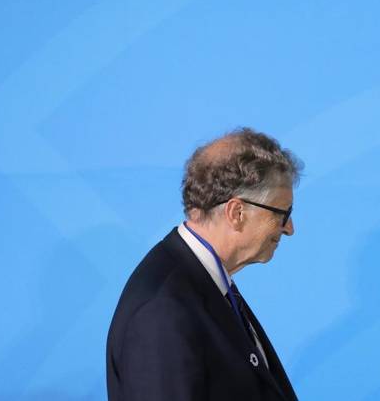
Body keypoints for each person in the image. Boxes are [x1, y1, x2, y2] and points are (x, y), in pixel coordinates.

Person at [106, 128, 302, 401]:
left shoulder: (205, 283)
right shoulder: (163, 311)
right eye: (283, 214)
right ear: (237, 212)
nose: (289, 228)